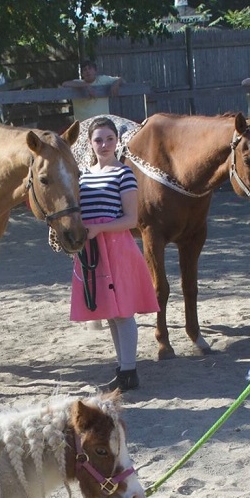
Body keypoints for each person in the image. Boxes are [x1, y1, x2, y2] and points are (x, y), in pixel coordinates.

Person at [71, 117, 159, 392]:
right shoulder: (83, 175)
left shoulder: (124, 174)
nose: (104, 144)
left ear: (117, 141)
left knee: (122, 312)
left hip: (116, 248)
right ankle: (123, 367)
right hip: (92, 249)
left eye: (109, 139)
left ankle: (130, 371)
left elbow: (131, 219)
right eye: (98, 139)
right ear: (90, 143)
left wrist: (99, 228)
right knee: (110, 312)